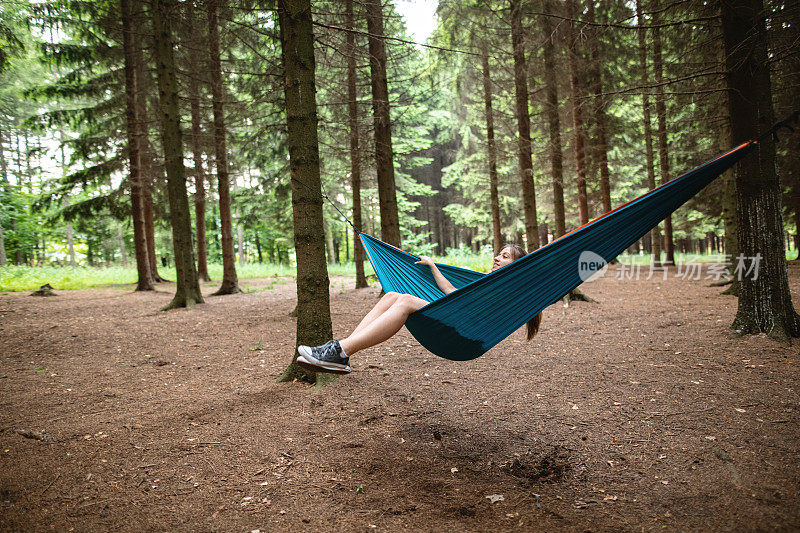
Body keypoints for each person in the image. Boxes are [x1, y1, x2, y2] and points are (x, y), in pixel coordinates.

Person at [296, 244, 542, 374]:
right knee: (393, 295)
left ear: (516, 266)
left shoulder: (507, 288)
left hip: (465, 335)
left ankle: (339, 351)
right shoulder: (487, 279)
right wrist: (433, 266)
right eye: (499, 254)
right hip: (455, 320)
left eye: (506, 256)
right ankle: (342, 352)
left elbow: (532, 285)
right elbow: (452, 294)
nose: (498, 258)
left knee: (405, 301)